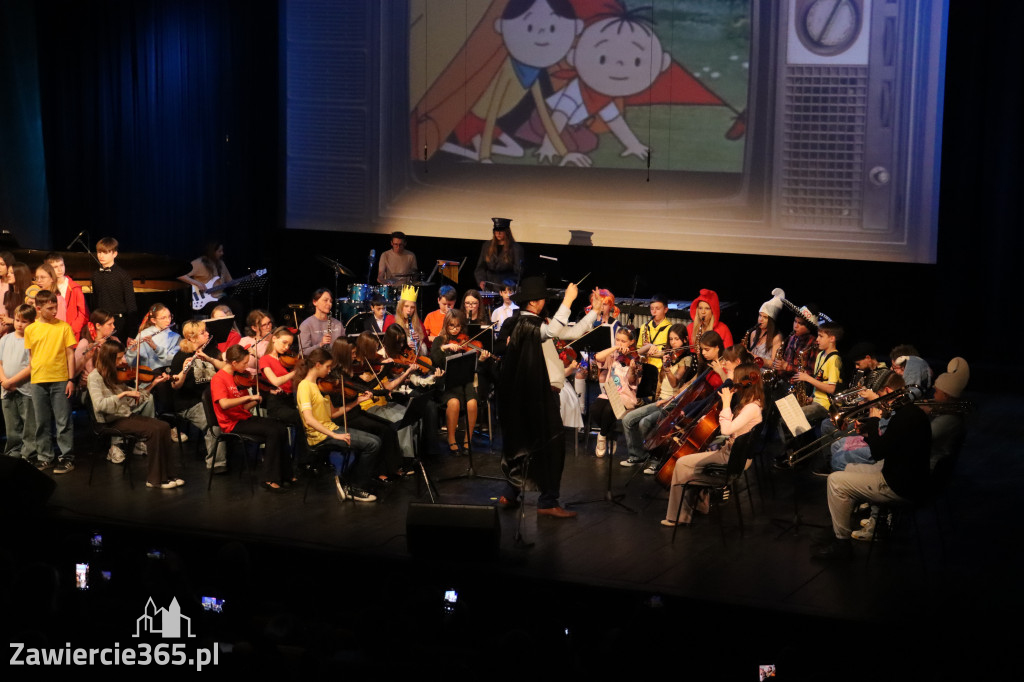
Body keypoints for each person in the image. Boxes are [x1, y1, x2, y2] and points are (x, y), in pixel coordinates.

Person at [497, 276, 604, 518]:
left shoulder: (537, 323)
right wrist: (568, 299)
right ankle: (547, 501)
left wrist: (595, 312)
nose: (546, 302)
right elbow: (555, 330)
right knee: (550, 446)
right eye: (544, 299)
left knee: (529, 444)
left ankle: (512, 493)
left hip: (540, 394)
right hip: (537, 396)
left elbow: (568, 331)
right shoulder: (524, 324)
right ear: (534, 303)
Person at [814, 372, 931, 560]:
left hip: (898, 485)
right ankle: (859, 522)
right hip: (902, 476)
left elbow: (877, 453)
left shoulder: (904, 417)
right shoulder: (910, 412)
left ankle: (842, 543)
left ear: (886, 391)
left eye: (880, 395)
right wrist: (869, 433)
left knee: (835, 481)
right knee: (849, 468)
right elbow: (888, 446)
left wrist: (875, 420)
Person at [662, 363, 764, 526]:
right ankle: (700, 506)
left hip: (733, 459)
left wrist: (726, 403)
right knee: (692, 462)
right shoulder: (751, 403)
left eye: (736, 380)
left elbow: (726, 429)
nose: (734, 384)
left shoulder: (752, 408)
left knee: (682, 463)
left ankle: (677, 517)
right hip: (730, 453)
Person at [87, 339, 182, 489]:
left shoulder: (115, 375)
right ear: (109, 358)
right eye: (119, 358)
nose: (123, 361)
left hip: (124, 416)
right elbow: (99, 405)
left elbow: (132, 402)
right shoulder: (95, 377)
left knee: (163, 426)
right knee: (153, 430)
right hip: (109, 421)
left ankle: (168, 475)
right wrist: (123, 394)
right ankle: (155, 479)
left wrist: (153, 384)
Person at [298, 347, 383, 502]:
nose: (329, 371)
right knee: (372, 444)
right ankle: (356, 487)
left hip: (331, 429)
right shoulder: (304, 386)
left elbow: (333, 413)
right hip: (321, 437)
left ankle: (348, 479)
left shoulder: (319, 385)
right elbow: (309, 419)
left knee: (376, 440)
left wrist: (358, 401)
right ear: (317, 365)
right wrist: (335, 435)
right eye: (327, 367)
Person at [211, 344, 293, 492]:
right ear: (234, 363)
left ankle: (286, 473)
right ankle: (269, 478)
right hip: (231, 424)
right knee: (272, 432)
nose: (246, 366)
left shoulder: (238, 377)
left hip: (243, 417)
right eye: (244, 363)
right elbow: (223, 404)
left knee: (280, 427)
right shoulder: (219, 379)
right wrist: (249, 397)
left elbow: (243, 408)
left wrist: (258, 399)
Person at [619, 323, 689, 467]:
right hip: (659, 400)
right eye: (671, 339)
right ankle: (638, 455)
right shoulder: (668, 354)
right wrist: (650, 347)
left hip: (673, 402)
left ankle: (655, 459)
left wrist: (667, 369)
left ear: (685, 340)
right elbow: (641, 353)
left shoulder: (686, 359)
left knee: (645, 422)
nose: (673, 342)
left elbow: (675, 383)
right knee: (628, 419)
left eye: (677, 339)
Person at [24, 290, 78, 473]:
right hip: (38, 380)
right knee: (42, 421)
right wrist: (33, 376)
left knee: (63, 421)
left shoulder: (63, 327)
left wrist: (71, 379)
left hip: (60, 379)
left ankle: (67, 458)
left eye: (55, 307)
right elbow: (32, 356)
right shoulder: (30, 329)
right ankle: (45, 457)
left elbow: (70, 354)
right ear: (38, 309)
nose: (54, 311)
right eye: (50, 308)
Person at [169, 320, 228, 472]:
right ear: (192, 337)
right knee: (213, 423)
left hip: (213, 399)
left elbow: (227, 369)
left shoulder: (211, 351)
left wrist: (210, 359)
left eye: (206, 331)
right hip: (189, 403)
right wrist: (183, 371)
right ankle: (216, 463)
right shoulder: (181, 356)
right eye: (203, 333)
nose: (207, 334)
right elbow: (175, 385)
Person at [430, 309, 491, 455]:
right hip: (448, 382)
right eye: (451, 326)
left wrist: (481, 360)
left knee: (472, 403)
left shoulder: (466, 339)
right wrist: (445, 347)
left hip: (466, 381)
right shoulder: (440, 341)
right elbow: (435, 359)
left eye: (457, 326)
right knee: (454, 403)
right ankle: (451, 439)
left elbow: (476, 369)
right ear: (446, 325)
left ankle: (467, 440)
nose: (455, 329)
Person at [588, 326, 641, 457]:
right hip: (610, 392)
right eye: (617, 340)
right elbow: (598, 357)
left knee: (607, 411)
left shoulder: (636, 358)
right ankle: (611, 435)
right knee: (595, 409)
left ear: (631, 342)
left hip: (625, 395)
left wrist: (632, 369)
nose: (620, 343)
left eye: (623, 341)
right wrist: (615, 348)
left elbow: (632, 380)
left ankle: (602, 436)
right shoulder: (614, 355)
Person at [0, 304, 38, 461]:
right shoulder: (5, 339)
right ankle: (13, 452)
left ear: (31, 323)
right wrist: (4, 381)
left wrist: (13, 381)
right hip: (6, 388)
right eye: (17, 320)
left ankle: (29, 453)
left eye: (24, 321)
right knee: (11, 424)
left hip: (24, 387)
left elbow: (32, 366)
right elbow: (0, 362)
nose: (19, 324)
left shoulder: (32, 340)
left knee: (29, 423)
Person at [178, 240, 244, 319]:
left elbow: (230, 281)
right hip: (205, 301)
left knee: (237, 306)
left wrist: (245, 279)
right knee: (220, 310)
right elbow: (180, 275)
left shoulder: (221, 263)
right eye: (219, 251)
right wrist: (197, 283)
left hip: (220, 297)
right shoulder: (199, 263)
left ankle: (235, 330)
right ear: (212, 251)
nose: (222, 253)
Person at [90, 237, 137, 339]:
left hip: (118, 322)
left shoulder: (123, 275)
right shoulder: (95, 275)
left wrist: (132, 333)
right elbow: (95, 301)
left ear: (115, 254)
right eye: (99, 252)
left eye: (105, 253)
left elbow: (131, 305)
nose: (101, 256)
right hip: (101, 322)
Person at [45, 252, 88, 340]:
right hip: (51, 333)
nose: (60, 269)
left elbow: (83, 313)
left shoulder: (74, 287)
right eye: (55, 267)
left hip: (70, 333)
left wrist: (72, 329)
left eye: (61, 265)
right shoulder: (47, 287)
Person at [474, 217, 525, 291]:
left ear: (507, 232)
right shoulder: (487, 246)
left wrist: (509, 284)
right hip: (489, 286)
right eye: (496, 231)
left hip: (506, 288)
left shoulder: (516, 248)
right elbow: (480, 267)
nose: (498, 233)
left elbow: (518, 272)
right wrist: (481, 280)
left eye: (501, 231)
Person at [298, 288, 345, 356]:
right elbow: (303, 352)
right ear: (315, 302)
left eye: (330, 301)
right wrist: (321, 344)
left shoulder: (337, 324)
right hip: (317, 364)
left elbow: (344, 347)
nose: (329, 304)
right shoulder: (306, 325)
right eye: (325, 300)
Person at [743, 293, 784, 366]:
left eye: (765, 317)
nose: (760, 320)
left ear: (771, 320)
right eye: (760, 316)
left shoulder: (776, 337)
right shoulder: (753, 333)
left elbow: (774, 364)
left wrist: (754, 357)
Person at [387, 285, 427, 354]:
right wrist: (405, 346)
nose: (409, 310)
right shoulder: (391, 320)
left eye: (412, 307)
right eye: (406, 306)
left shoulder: (419, 323)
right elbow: (387, 346)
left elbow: (426, 352)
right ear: (400, 307)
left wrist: (418, 342)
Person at [238, 309, 274, 374]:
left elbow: (272, 363)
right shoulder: (245, 341)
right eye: (264, 325)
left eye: (269, 323)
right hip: (243, 376)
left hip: (263, 378)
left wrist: (257, 354)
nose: (268, 327)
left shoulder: (275, 341)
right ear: (254, 328)